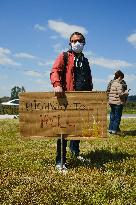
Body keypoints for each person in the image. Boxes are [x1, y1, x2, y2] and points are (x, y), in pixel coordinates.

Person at [50, 32, 93, 171]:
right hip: (67, 100)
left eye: (79, 40)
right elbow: (55, 70)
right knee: (64, 130)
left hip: (82, 100)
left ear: (84, 42)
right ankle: (60, 161)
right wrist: (57, 84)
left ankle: (75, 152)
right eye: (73, 41)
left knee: (78, 128)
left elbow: (88, 79)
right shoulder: (64, 56)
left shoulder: (85, 60)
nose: (76, 43)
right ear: (70, 43)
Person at [107, 70, 129, 135]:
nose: (122, 79)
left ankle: (110, 129)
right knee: (117, 117)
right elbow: (120, 94)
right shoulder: (119, 84)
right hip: (118, 103)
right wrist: (126, 93)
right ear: (119, 77)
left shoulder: (112, 83)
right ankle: (114, 130)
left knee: (112, 116)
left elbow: (109, 92)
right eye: (122, 78)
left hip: (111, 102)